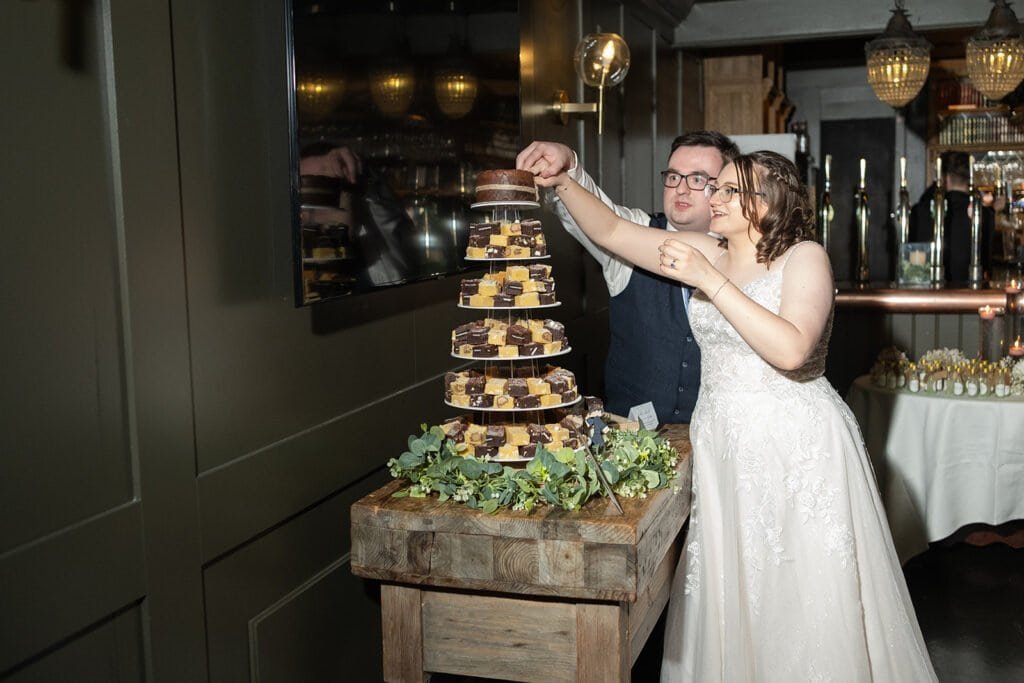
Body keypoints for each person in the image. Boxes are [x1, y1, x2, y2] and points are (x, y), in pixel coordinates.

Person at [530, 149, 937, 681]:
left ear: (770, 202)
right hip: (724, 444)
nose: (713, 197)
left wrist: (710, 280)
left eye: (728, 190)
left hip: (793, 444)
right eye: (715, 188)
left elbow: (791, 349)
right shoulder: (709, 250)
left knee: (795, 587)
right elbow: (611, 230)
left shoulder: (804, 257)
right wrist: (564, 178)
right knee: (738, 584)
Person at [516, 132, 739, 425]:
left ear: (726, 190)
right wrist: (569, 166)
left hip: (716, 431)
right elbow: (600, 218)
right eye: (673, 177)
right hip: (630, 434)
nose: (681, 189)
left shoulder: (742, 254)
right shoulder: (635, 230)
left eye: (698, 179)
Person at [910, 150, 994, 283]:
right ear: (970, 178)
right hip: (971, 291)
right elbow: (987, 265)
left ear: (945, 178)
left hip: (927, 290)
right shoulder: (984, 213)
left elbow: (913, 265)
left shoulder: (919, 211)